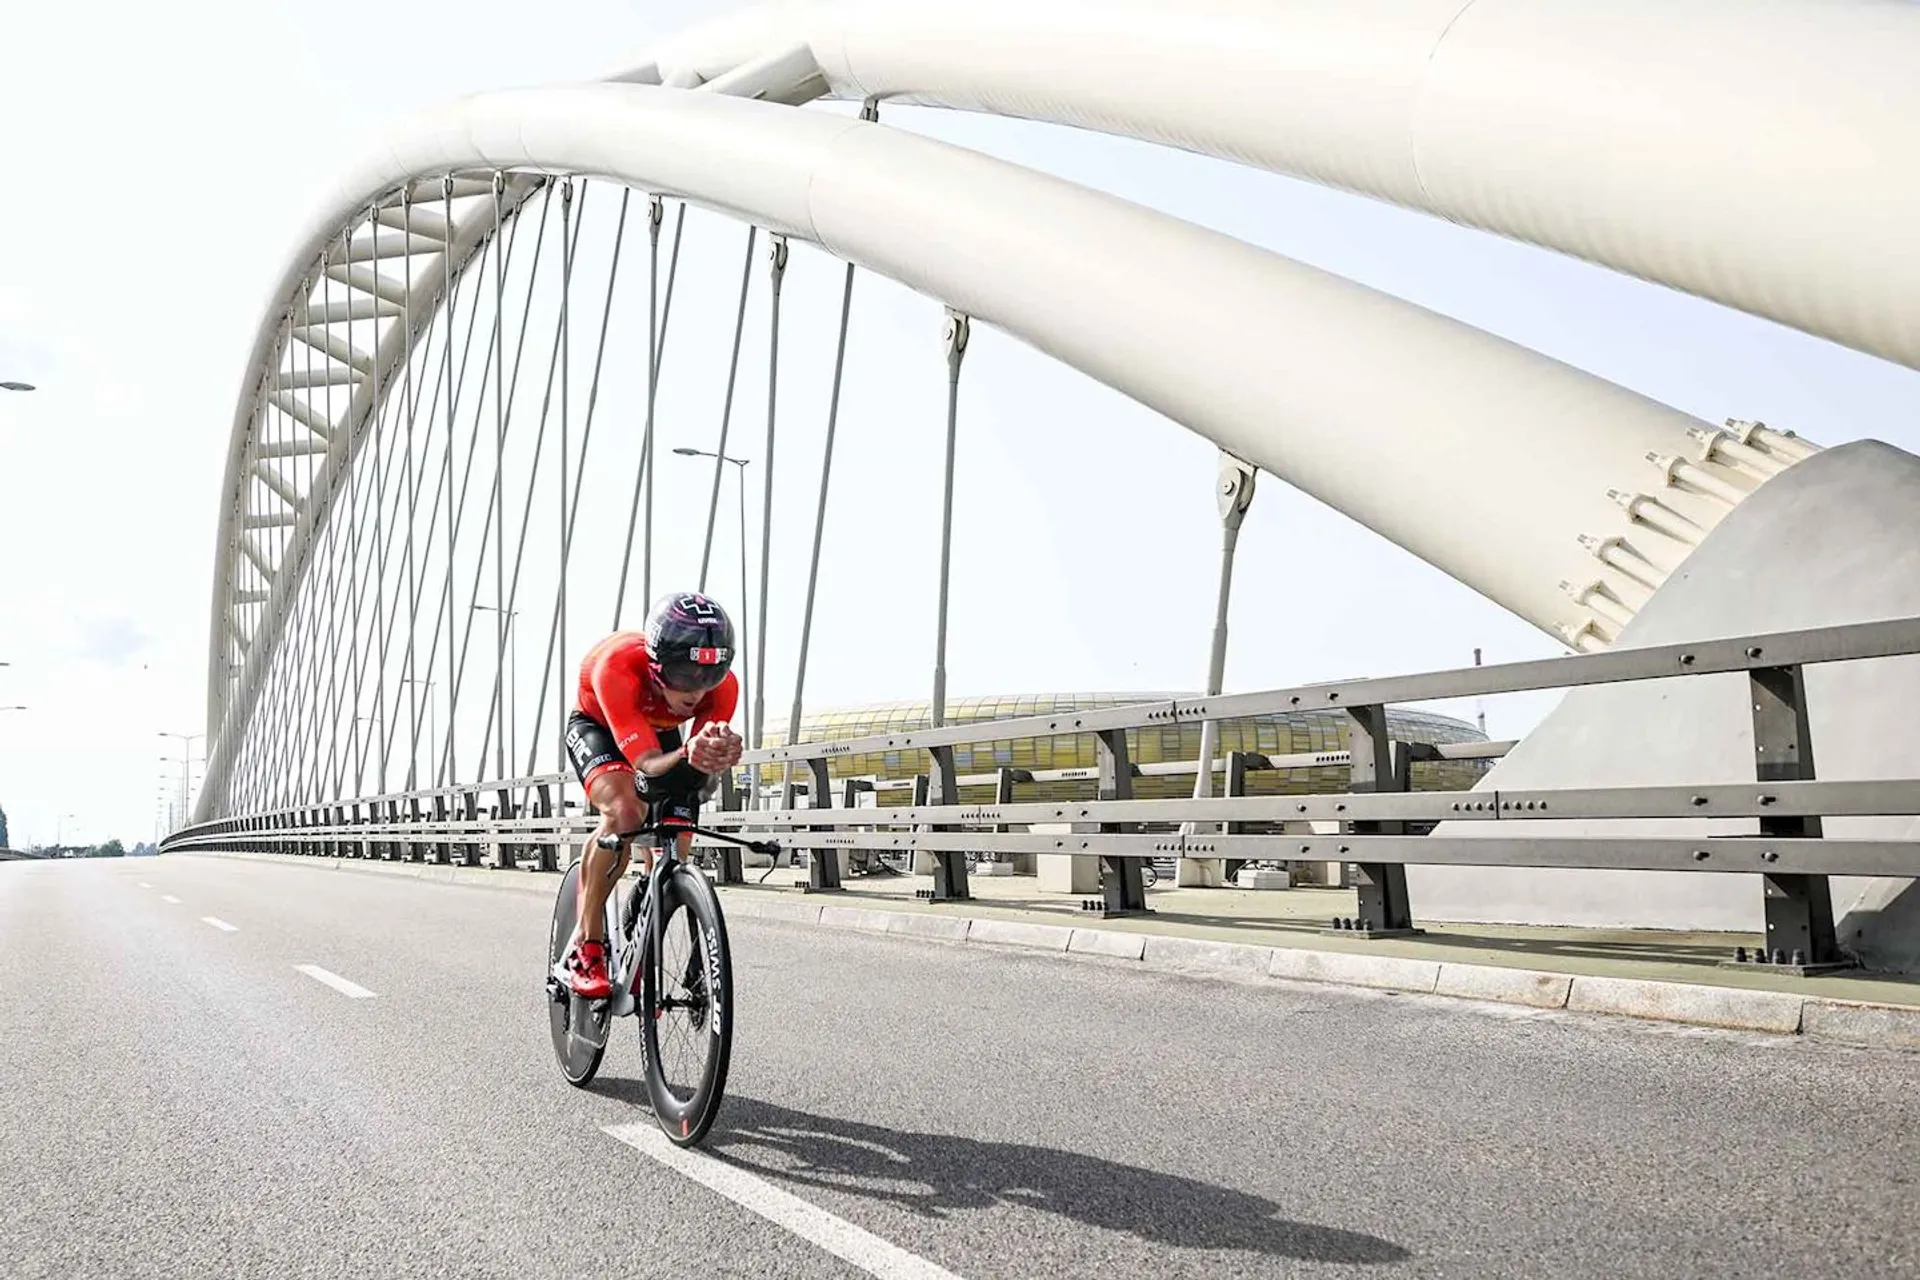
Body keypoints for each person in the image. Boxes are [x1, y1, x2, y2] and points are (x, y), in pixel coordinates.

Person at [557, 591, 745, 998]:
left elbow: (693, 766)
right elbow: (644, 763)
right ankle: (587, 945)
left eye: (708, 677)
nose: (696, 691)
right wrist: (685, 753)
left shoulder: (723, 687)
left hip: (658, 729)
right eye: (684, 674)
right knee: (626, 810)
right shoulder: (617, 668)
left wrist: (713, 754)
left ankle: (656, 891)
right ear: (658, 663)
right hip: (601, 724)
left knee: (682, 806)